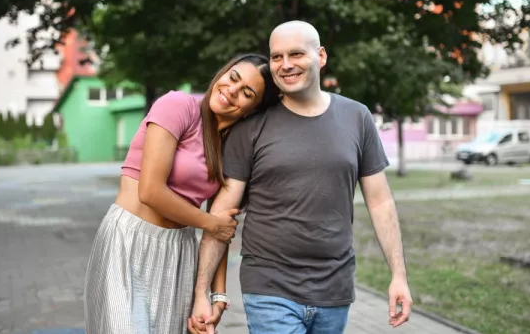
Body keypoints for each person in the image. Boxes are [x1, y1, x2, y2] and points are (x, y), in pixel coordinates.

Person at [189, 21, 413, 334]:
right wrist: (203, 293)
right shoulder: (250, 126)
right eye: (276, 57)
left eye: (296, 54)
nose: (286, 64)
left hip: (335, 289)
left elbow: (380, 201)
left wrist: (398, 276)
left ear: (320, 56)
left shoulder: (357, 116)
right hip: (269, 287)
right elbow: (221, 213)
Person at [83, 53, 280, 334]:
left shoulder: (232, 145)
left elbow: (222, 226)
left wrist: (217, 296)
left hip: (179, 255)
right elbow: (150, 191)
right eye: (233, 77)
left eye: (247, 93)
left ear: (252, 109)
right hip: (130, 241)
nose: (232, 91)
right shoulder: (178, 105)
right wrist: (210, 222)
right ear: (223, 72)